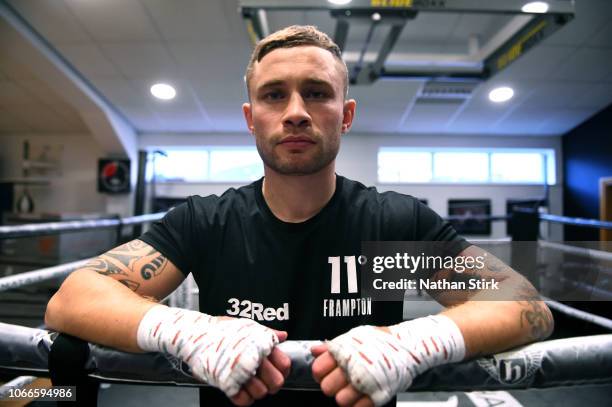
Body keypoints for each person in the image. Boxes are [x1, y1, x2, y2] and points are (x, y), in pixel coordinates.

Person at [45, 25, 553, 407]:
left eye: (316, 92)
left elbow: (525, 307)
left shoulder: (392, 226)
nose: (295, 111)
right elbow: (73, 299)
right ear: (251, 119)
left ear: (346, 114)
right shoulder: (207, 221)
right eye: (273, 94)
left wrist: (415, 341)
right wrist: (186, 329)